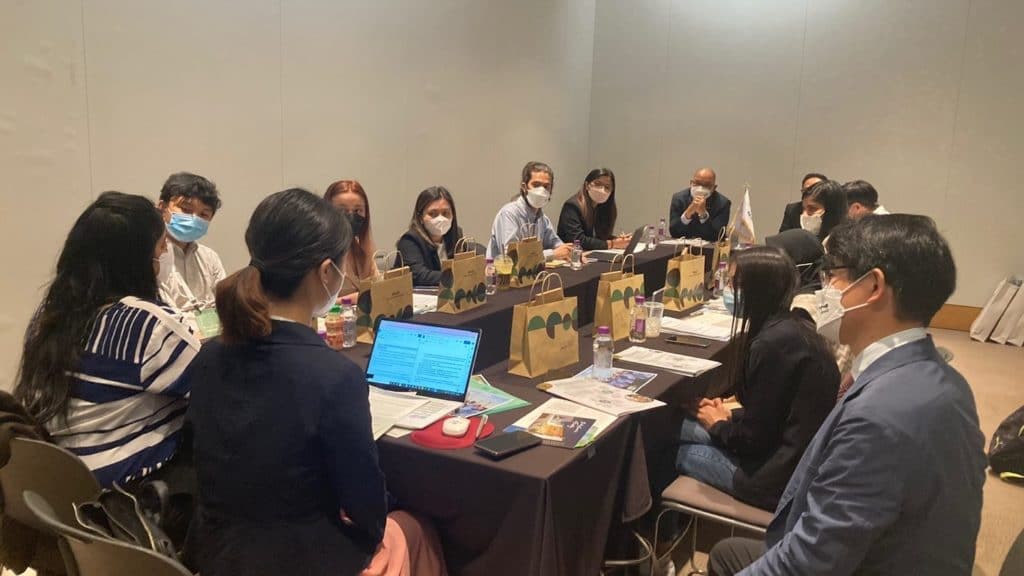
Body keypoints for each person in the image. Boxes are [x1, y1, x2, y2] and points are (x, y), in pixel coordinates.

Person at [186, 189, 446, 576]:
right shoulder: (333, 376)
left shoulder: (209, 356)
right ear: (326, 273)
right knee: (415, 529)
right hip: (302, 559)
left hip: (215, 553)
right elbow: (367, 509)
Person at [708, 215, 987, 576]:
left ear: (873, 286)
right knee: (728, 553)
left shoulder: (881, 415)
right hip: (888, 552)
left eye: (832, 276)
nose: (824, 289)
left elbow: (808, 565)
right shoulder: (943, 378)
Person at [15, 192, 200, 488]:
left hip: (58, 481)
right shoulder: (145, 325)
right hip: (122, 491)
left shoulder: (49, 315)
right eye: (161, 245)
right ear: (136, 259)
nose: (165, 253)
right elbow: (216, 388)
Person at [676, 247, 839, 510]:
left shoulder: (773, 345)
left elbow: (753, 441)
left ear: (756, 290)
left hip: (772, 480)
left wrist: (718, 424)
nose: (729, 290)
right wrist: (730, 415)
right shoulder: (794, 327)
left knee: (671, 445)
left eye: (733, 284)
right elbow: (777, 414)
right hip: (789, 460)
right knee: (682, 425)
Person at [157, 172, 226, 311]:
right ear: (162, 207)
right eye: (186, 209)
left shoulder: (210, 258)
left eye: (204, 214)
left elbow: (225, 305)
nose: (194, 219)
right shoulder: (150, 256)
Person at [487, 161, 572, 261]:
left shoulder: (543, 219)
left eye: (546, 186)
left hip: (533, 270)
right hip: (502, 270)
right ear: (524, 187)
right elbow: (511, 257)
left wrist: (571, 252)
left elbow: (556, 244)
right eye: (536, 185)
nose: (541, 191)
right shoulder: (508, 214)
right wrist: (552, 254)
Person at [397, 186, 467, 286]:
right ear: (420, 217)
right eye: (433, 214)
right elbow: (419, 275)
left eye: (445, 213)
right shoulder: (409, 240)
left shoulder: (455, 234)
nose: (441, 219)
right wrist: (459, 275)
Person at [556, 168, 630, 250]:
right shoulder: (572, 206)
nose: (602, 189)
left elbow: (598, 237)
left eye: (607, 187)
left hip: (591, 254)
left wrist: (619, 240)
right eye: (598, 184)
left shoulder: (602, 208)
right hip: (572, 255)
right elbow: (578, 240)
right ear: (587, 185)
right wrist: (612, 244)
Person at [325, 179, 380, 282]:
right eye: (342, 210)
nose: (351, 216)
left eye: (357, 210)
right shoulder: (320, 255)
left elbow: (378, 285)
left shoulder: (364, 251)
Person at [668, 168, 732, 241]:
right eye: (697, 183)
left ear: (714, 188)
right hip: (682, 245)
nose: (700, 188)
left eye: (706, 185)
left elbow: (718, 236)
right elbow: (674, 232)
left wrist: (703, 214)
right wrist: (688, 213)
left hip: (709, 247)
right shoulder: (679, 198)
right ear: (691, 183)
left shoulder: (723, 203)